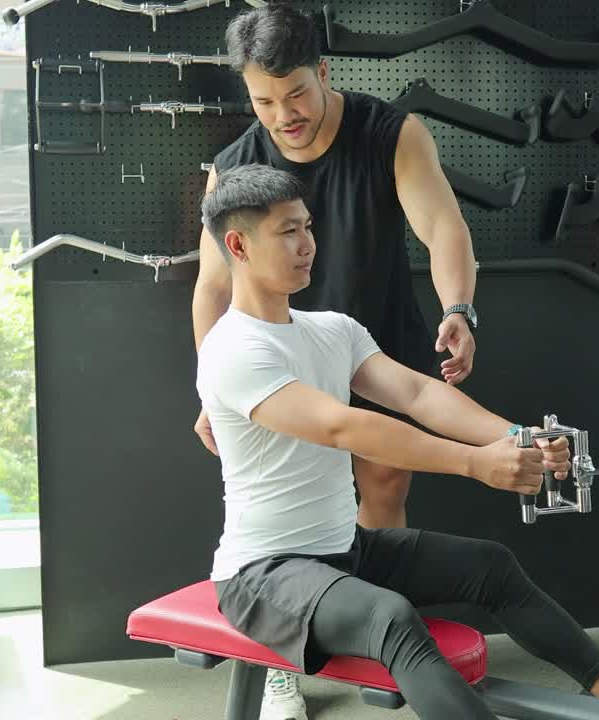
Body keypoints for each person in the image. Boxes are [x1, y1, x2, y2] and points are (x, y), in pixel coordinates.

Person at [195, 163, 599, 720]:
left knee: (491, 565)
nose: (308, 243)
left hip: (343, 553)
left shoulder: (332, 330)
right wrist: (476, 464)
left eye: (307, 226)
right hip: (263, 575)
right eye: (288, 232)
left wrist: (520, 439)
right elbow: (345, 427)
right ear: (238, 244)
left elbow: (418, 395)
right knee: (391, 619)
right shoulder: (233, 350)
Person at [192, 3, 476, 530]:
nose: (283, 115)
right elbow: (212, 287)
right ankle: (327, 602)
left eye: (296, 94)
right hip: (279, 355)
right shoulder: (233, 167)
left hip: (379, 337)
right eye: (264, 102)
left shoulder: (393, 134)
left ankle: (377, 596)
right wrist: (214, 389)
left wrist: (458, 307)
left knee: (386, 483)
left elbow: (443, 228)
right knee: (296, 495)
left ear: (322, 72)